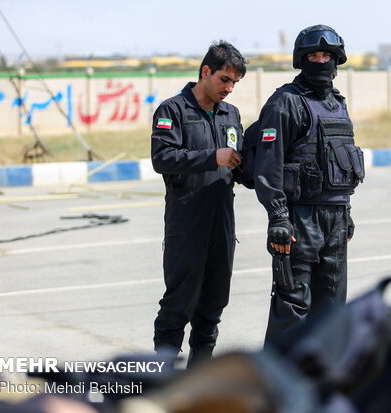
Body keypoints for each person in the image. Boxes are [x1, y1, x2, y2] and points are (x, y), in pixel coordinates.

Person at [251, 25, 365, 345]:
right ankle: (277, 385)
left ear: (336, 59)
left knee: (331, 309)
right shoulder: (285, 102)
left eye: (326, 55)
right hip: (299, 218)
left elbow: (342, 162)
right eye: (313, 55)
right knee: (293, 308)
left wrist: (347, 210)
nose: (320, 60)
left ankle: (320, 385)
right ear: (302, 60)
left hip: (336, 218)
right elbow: (268, 163)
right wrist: (277, 216)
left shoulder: (339, 104)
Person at [151, 40, 247, 367]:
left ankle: (199, 380)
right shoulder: (172, 110)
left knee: (213, 307)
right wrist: (212, 157)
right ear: (205, 72)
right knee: (178, 306)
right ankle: (162, 382)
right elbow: (162, 157)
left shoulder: (231, 115)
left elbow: (239, 164)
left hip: (222, 223)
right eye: (224, 79)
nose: (230, 88)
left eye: (235, 82)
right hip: (187, 223)